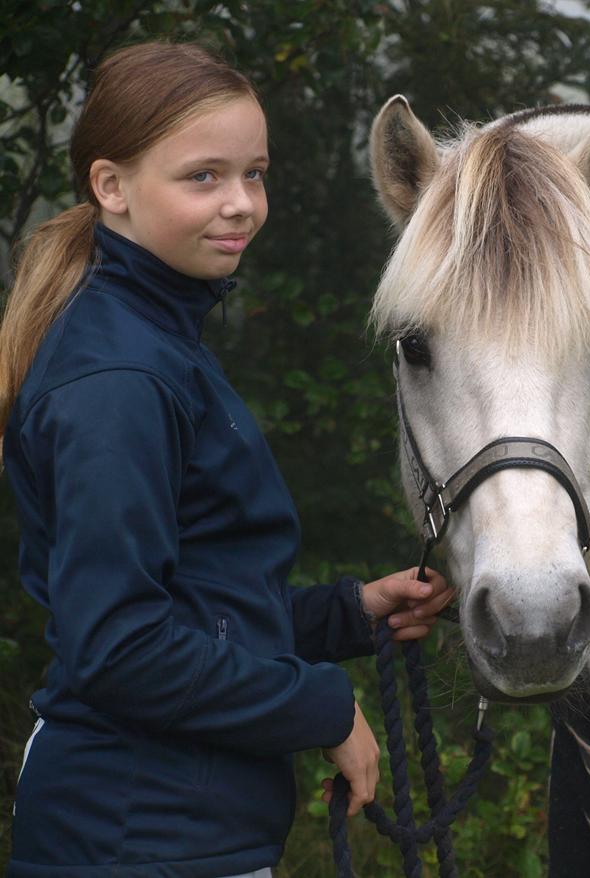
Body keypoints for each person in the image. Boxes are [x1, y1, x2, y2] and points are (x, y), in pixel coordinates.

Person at [0, 41, 453, 877]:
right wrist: (320, 708)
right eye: (203, 177)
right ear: (112, 187)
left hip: (175, 833)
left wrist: (348, 614)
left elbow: (196, 604)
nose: (241, 204)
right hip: (135, 838)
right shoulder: (121, 376)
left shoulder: (158, 338)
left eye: (255, 172)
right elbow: (122, 648)